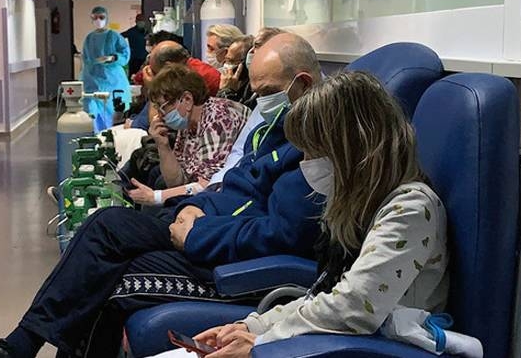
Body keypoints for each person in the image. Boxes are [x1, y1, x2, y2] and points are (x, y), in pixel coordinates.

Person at [0, 33, 324, 358]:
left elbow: (283, 234)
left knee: (107, 247)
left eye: (267, 91)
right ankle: (16, 348)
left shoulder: (317, 149)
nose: (260, 102)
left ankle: (16, 348)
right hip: (209, 226)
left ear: (303, 84)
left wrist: (197, 231)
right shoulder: (273, 130)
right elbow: (232, 185)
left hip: (234, 261)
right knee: (105, 240)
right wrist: (191, 207)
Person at [180, 71, 451, 358]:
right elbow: (327, 296)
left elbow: (354, 308)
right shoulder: (356, 207)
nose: (305, 164)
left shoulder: (410, 208)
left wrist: (260, 344)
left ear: (353, 151)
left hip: (381, 349)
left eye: (311, 153)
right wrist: (250, 326)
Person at [126, 64, 250, 206]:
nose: (159, 116)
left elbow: (209, 185)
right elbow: (176, 182)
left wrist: (156, 197)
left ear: (187, 100)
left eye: (162, 107)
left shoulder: (219, 118)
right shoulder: (188, 124)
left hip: (230, 199)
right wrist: (162, 145)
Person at [207, 27, 285, 186]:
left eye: (259, 48)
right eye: (254, 48)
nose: (253, 54)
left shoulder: (274, 96)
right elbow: (239, 150)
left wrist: (226, 93)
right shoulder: (256, 92)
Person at [81, 6, 131, 130]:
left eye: (101, 17)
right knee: (94, 113)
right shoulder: (89, 38)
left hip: (113, 80)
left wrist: (113, 57)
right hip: (93, 80)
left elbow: (125, 54)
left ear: (106, 18)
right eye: (95, 17)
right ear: (91, 19)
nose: (98, 20)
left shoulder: (114, 36)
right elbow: (86, 59)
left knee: (115, 111)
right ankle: (97, 137)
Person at [217, 35, 254, 106]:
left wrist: (226, 91)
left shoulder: (251, 89)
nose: (226, 65)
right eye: (226, 60)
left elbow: (227, 114)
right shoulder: (224, 80)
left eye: (231, 61)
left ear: (245, 62)